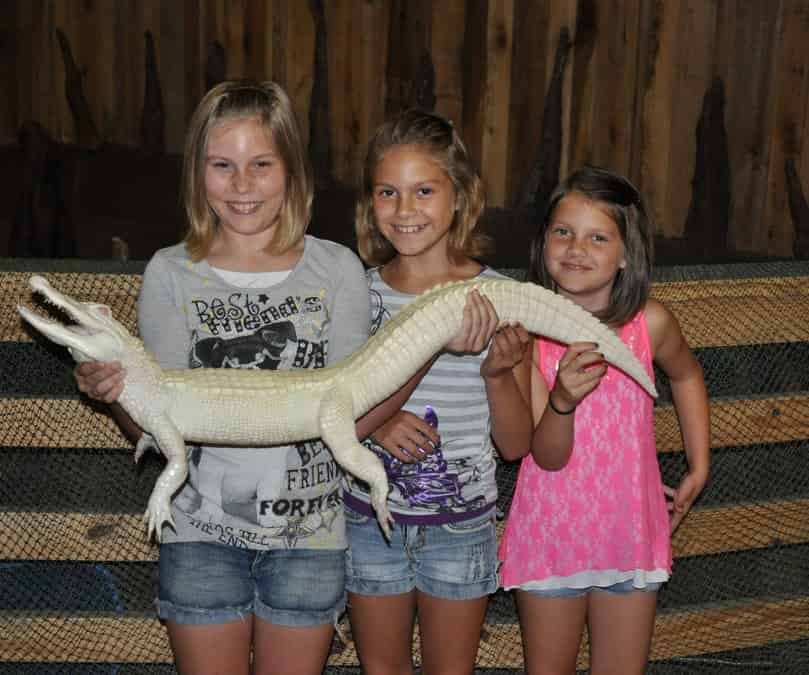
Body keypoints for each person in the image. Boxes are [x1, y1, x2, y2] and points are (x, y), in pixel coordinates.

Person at [74, 80, 390, 675]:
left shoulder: (338, 268)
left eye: (261, 165)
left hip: (310, 532)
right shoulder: (170, 272)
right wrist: (113, 390)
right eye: (223, 165)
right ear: (198, 173)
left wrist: (419, 365)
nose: (242, 186)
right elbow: (153, 414)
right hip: (199, 532)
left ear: (292, 170)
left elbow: (354, 404)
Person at [498, 165, 710, 674]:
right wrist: (562, 402)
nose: (576, 248)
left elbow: (686, 377)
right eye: (563, 232)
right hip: (552, 535)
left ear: (624, 256)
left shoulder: (650, 325)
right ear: (543, 243)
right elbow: (545, 456)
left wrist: (699, 466)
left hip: (629, 532)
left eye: (598, 237)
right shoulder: (528, 335)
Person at [343, 108, 533, 675]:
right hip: (367, 517)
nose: (405, 211)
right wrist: (377, 422)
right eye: (388, 192)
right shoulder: (359, 295)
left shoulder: (501, 297)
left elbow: (517, 446)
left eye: (424, 190)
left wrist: (497, 374)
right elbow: (337, 410)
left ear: (460, 196)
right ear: (370, 204)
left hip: (462, 526)